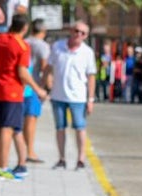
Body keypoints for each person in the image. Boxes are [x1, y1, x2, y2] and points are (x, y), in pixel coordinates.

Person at [0, 12, 44, 179]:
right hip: (12, 92)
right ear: (25, 28)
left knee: (6, 126)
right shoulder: (22, 46)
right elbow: (22, 72)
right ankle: (3, 168)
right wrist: (37, 89)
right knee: (7, 128)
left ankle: (1, 165)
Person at [43, 21, 97, 170]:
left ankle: (80, 159)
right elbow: (49, 67)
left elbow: (91, 76)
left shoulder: (87, 52)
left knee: (80, 128)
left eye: (83, 33)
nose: (78, 35)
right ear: (71, 31)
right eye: (76, 31)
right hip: (58, 95)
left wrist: (90, 99)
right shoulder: (58, 47)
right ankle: (62, 159)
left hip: (78, 97)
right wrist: (45, 86)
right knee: (60, 128)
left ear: (86, 36)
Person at [22, 18, 50, 163]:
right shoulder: (43, 46)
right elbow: (45, 68)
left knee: (21, 120)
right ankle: (30, 151)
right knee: (31, 119)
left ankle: (24, 150)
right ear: (44, 31)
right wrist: (46, 87)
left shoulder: (24, 41)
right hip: (34, 86)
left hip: (21, 84)